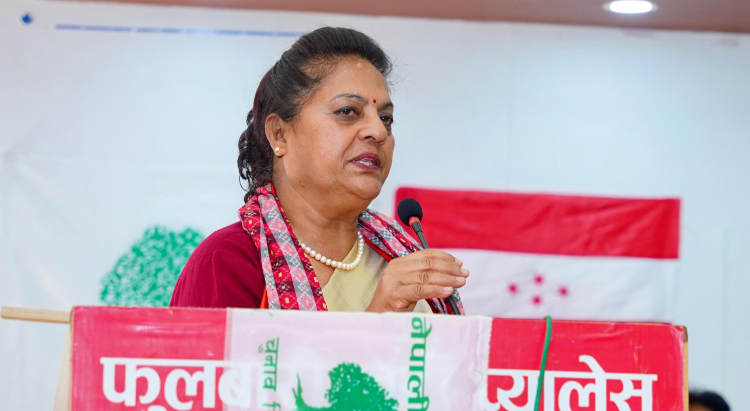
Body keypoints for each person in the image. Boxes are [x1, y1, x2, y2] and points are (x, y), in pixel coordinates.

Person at [170, 27, 468, 314]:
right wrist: (381, 314)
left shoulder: (401, 255)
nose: (378, 131)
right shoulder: (229, 261)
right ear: (279, 134)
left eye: (386, 118)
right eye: (348, 111)